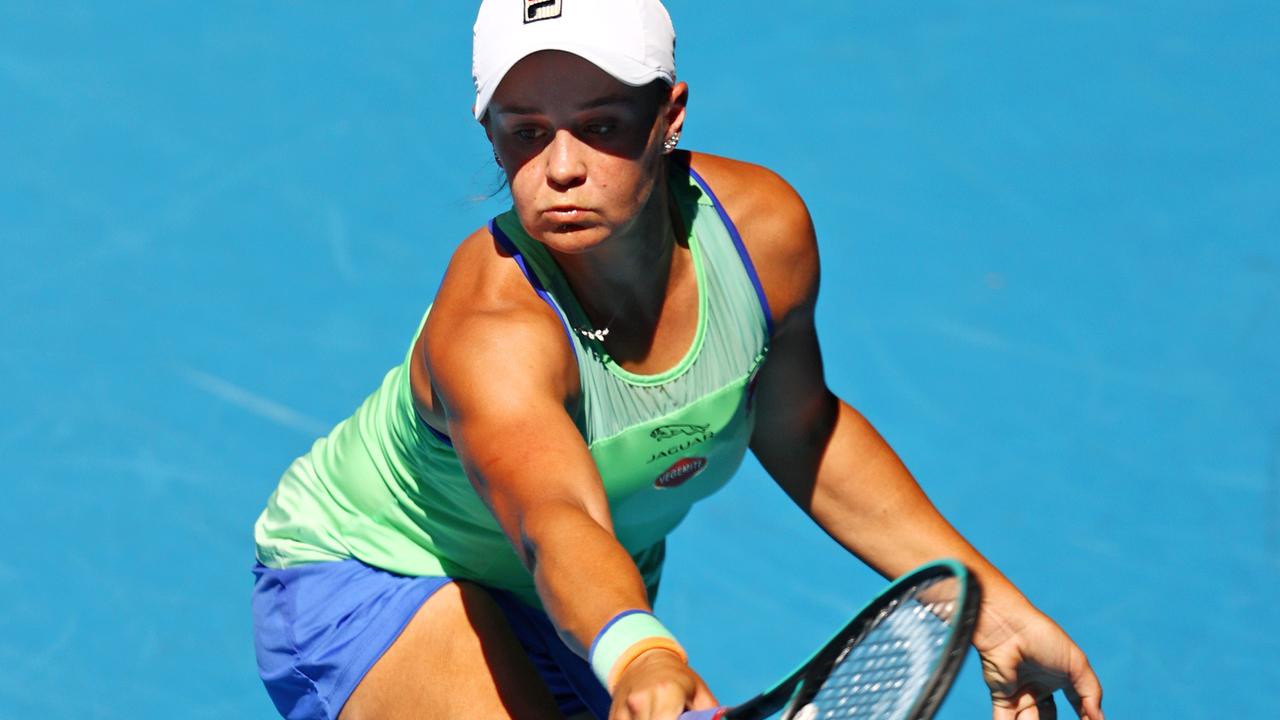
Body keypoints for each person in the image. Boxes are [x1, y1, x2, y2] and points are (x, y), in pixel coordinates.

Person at [251, 2, 1105, 719]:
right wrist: (637, 651)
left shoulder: (761, 234)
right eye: (523, 134)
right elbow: (558, 522)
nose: (560, 169)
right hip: (378, 573)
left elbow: (801, 427)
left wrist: (988, 605)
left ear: (670, 114)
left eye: (601, 127)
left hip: (587, 605)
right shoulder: (492, 327)